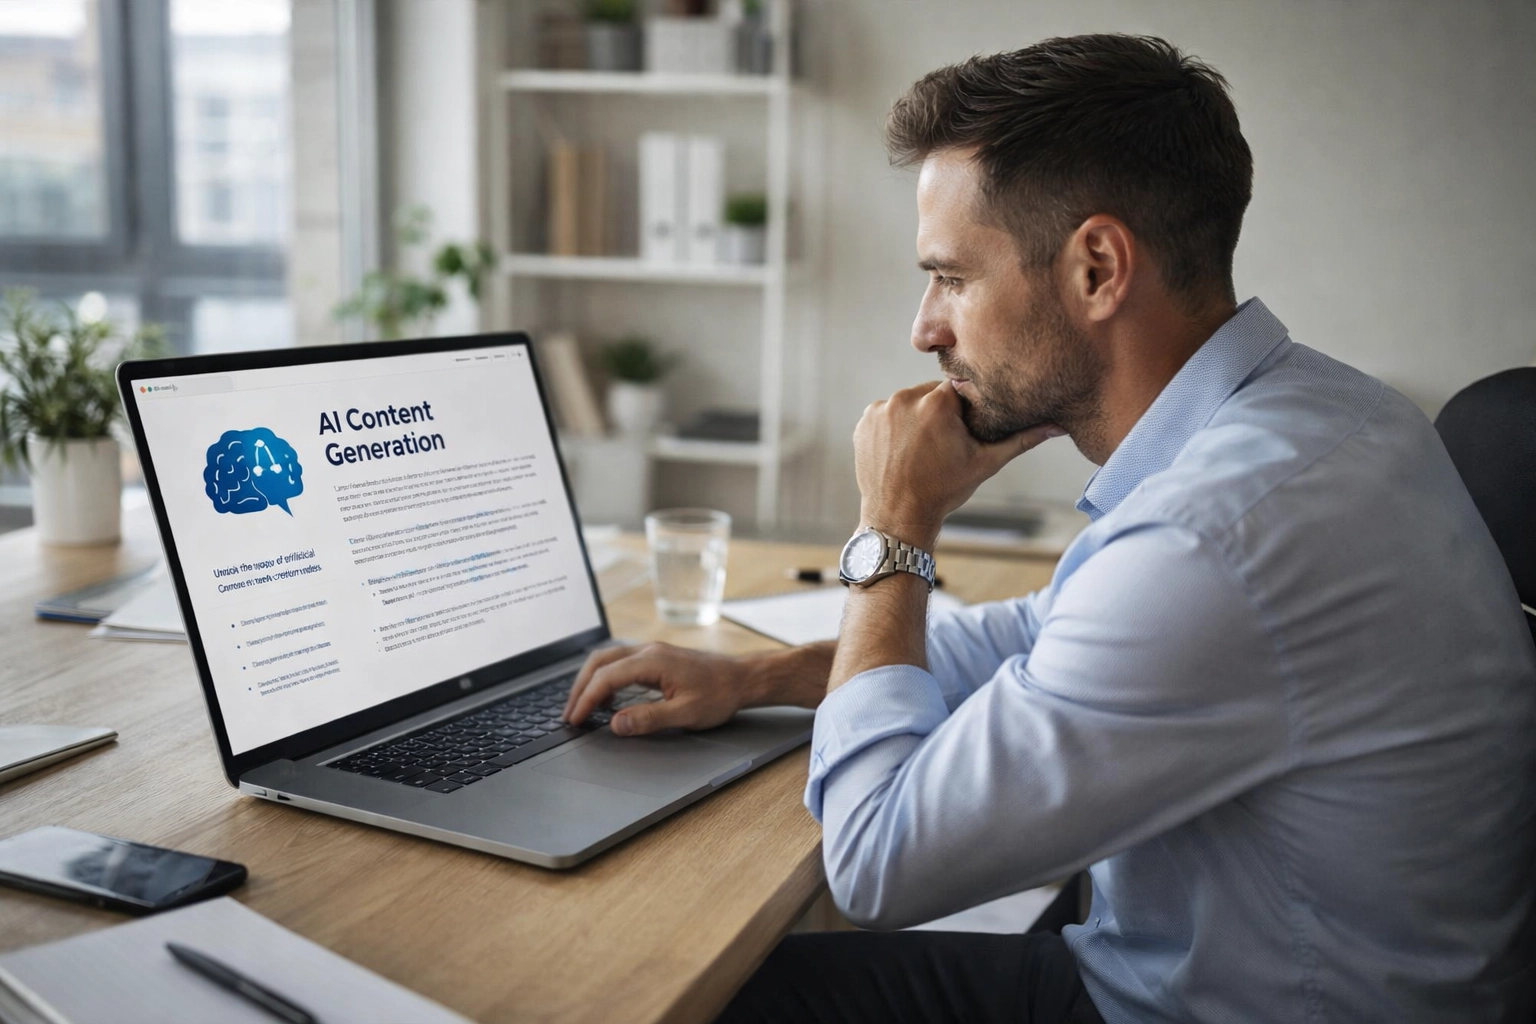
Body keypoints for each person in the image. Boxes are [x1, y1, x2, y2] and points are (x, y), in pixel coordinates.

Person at [563, 34, 1536, 1024]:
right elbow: (1039, 638)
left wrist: (895, 530)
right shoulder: (1332, 413)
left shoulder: (1211, 541)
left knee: (696, 998)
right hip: (1246, 976)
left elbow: (873, 861)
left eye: (950, 276)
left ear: (1098, 268)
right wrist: (761, 677)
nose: (924, 327)